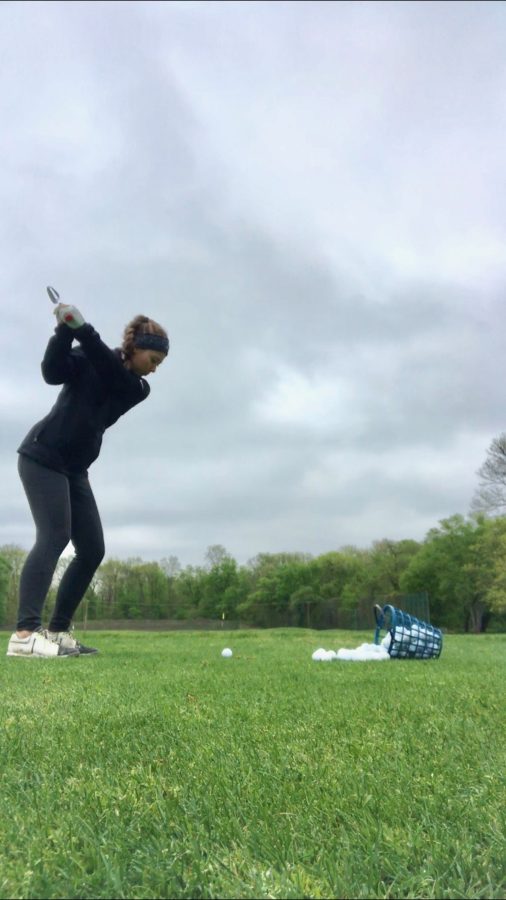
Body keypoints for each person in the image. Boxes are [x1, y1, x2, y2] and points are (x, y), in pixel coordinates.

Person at [6, 301, 169, 658]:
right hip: (42, 455)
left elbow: (110, 372)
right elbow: (52, 372)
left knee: (92, 548)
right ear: (136, 348)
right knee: (55, 535)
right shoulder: (91, 355)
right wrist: (64, 331)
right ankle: (24, 634)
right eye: (154, 361)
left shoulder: (136, 387)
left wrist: (81, 328)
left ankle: (58, 631)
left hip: (75, 468)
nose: (155, 370)